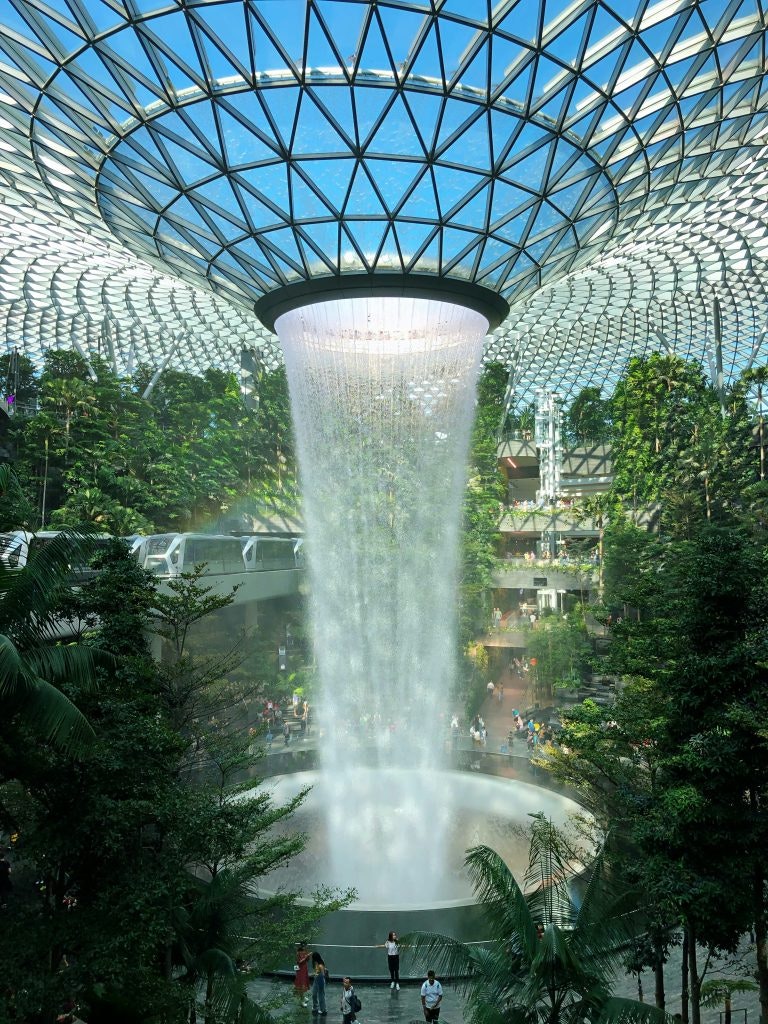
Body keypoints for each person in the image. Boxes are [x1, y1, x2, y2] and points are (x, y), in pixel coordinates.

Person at [294, 942, 312, 1007]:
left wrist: (308, 957)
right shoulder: (298, 953)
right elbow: (299, 962)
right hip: (300, 970)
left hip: (304, 969)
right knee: (301, 984)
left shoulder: (305, 951)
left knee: (304, 983)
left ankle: (303, 997)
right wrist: (306, 956)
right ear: (302, 946)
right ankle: (302, 1001)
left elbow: (306, 960)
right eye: (305, 946)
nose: (306, 947)